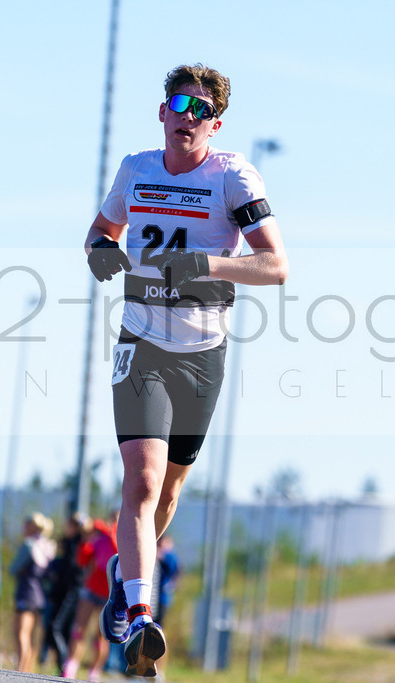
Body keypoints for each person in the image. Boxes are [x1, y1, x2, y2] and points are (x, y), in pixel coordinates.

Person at [84, 63, 288, 677]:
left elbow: (276, 266)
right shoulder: (136, 169)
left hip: (202, 355)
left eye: (202, 110)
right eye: (180, 104)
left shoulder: (233, 178)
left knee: (168, 492)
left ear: (215, 124)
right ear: (164, 111)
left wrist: (203, 267)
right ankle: (142, 618)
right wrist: (101, 255)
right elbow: (101, 231)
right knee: (142, 484)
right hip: (141, 343)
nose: (188, 117)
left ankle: (126, 580)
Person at [63, 514, 118, 681]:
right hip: (91, 588)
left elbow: (117, 551)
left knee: (101, 636)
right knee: (79, 629)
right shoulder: (99, 538)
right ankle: (71, 666)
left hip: (109, 593)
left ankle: (94, 671)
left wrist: (110, 532)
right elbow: (83, 560)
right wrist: (86, 540)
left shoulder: (121, 536)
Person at [10, 512, 56, 672]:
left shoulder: (28, 545)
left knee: (21, 633)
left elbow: (13, 569)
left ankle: (20, 668)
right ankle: (26, 667)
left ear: (31, 526)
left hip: (26, 592)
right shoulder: (47, 546)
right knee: (32, 636)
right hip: (40, 596)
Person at [43, 512, 87, 673]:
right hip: (64, 592)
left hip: (70, 592)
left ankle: (63, 662)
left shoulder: (78, 546)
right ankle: (61, 666)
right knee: (62, 628)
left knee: (56, 626)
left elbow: (73, 572)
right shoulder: (68, 544)